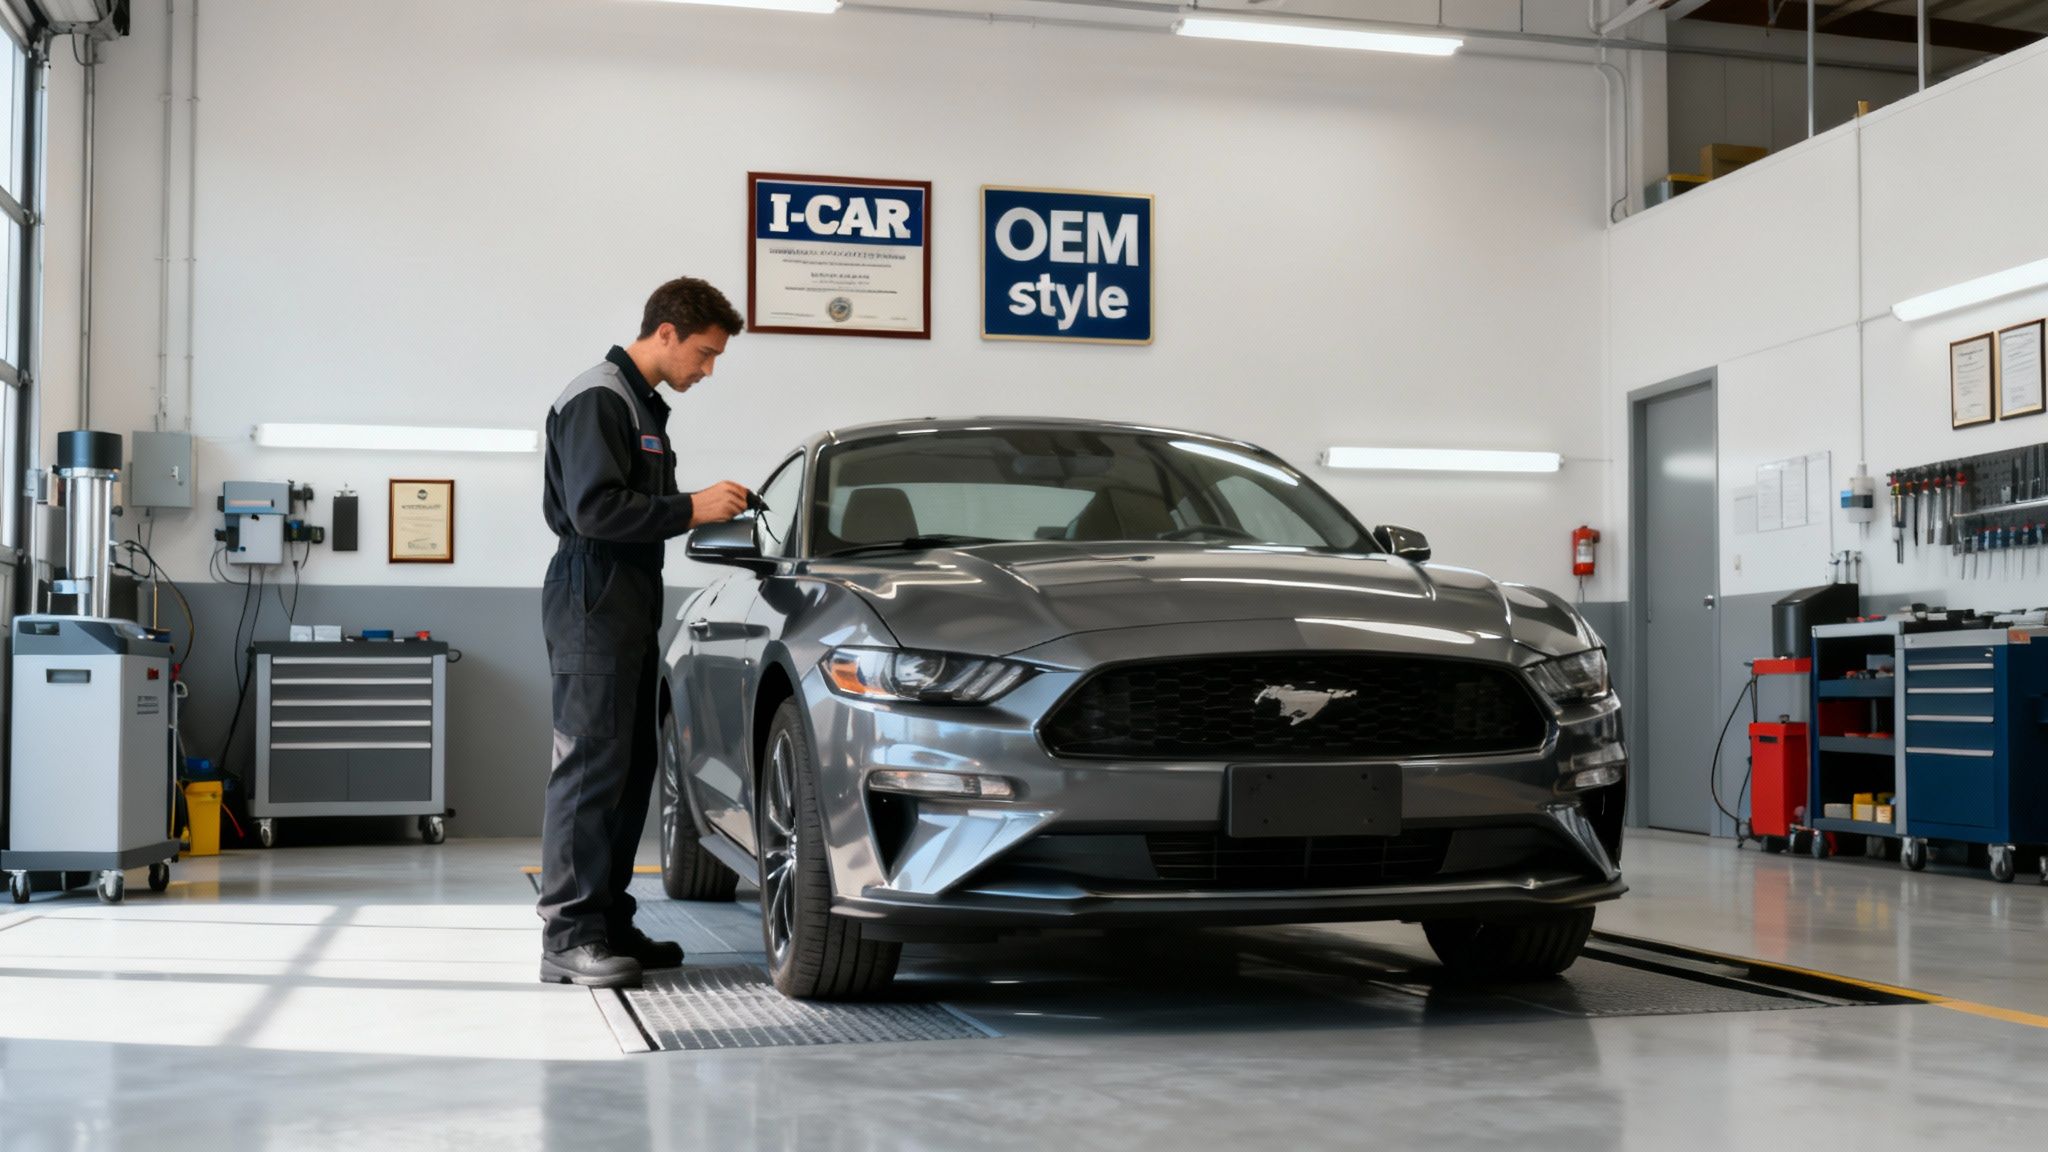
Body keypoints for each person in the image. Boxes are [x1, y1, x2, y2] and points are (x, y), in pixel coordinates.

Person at [536, 276, 750, 988]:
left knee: (629, 770)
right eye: (705, 353)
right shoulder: (600, 396)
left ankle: (608, 919)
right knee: (591, 763)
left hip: (626, 593)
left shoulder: (640, 405)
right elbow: (596, 509)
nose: (709, 369)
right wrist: (692, 507)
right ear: (666, 332)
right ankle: (569, 935)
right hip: (593, 590)